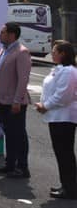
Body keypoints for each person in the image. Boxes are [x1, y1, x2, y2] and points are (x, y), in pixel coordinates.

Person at [34, 41, 77, 200]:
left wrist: (45, 105)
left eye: (55, 51)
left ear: (63, 53)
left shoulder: (68, 71)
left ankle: (70, 188)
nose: (52, 54)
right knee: (61, 153)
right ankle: (66, 184)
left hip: (64, 117)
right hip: (57, 116)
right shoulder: (60, 70)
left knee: (65, 153)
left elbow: (63, 96)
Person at [0, 22, 32, 178]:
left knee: (19, 135)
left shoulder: (22, 52)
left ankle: (22, 167)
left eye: (2, 32)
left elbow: (23, 80)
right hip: (2, 100)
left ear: (11, 34)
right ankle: (10, 164)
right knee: (9, 133)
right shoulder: (3, 50)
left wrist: (17, 100)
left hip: (15, 102)